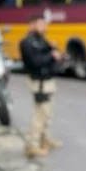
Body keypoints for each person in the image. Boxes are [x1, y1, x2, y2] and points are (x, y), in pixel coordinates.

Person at [19, 14, 62, 158]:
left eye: (45, 25)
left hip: (48, 80)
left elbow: (49, 52)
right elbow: (36, 62)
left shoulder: (41, 40)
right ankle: (32, 144)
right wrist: (52, 56)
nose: (44, 28)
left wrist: (54, 50)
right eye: (41, 25)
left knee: (47, 113)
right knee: (40, 113)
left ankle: (45, 139)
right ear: (31, 25)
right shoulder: (27, 42)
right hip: (39, 82)